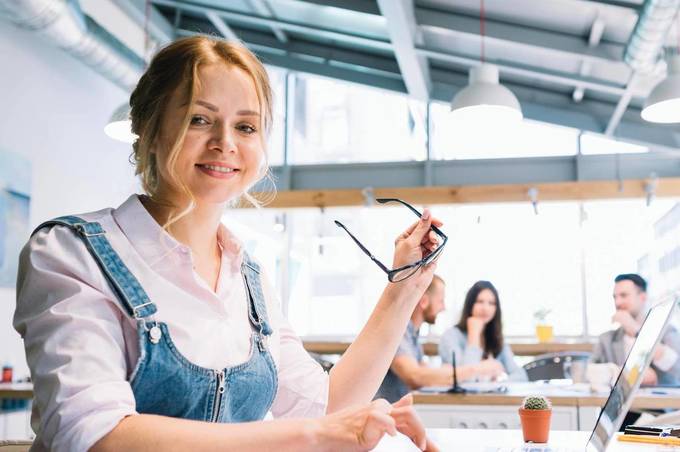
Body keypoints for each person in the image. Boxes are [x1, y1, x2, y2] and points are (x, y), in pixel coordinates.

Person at [13, 36, 442, 452]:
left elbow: (325, 405)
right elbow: (96, 436)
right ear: (147, 128)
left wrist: (404, 287)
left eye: (246, 126)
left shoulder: (248, 278)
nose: (226, 142)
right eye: (199, 119)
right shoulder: (70, 252)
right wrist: (314, 435)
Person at [591, 273, 680, 387]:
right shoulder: (606, 339)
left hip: (659, 404)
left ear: (642, 297)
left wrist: (636, 331)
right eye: (615, 297)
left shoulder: (666, 331)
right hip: (622, 404)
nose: (617, 302)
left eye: (624, 295)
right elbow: (590, 372)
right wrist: (626, 374)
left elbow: (678, 368)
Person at [439, 280, 527, 382]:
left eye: (491, 303)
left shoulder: (495, 338)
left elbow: (521, 376)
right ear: (470, 304)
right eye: (479, 301)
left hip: (491, 397)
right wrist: (474, 335)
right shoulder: (451, 336)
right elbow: (466, 380)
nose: (485, 308)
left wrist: (498, 381)